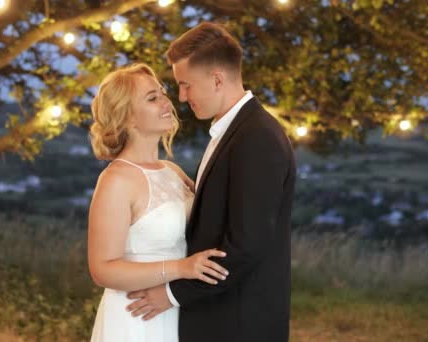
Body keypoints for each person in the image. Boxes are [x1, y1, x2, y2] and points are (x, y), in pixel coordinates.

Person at [126, 22, 297, 341]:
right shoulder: (235, 132)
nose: (181, 96)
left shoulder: (257, 137)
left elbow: (246, 246)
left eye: (185, 84)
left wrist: (173, 294)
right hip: (220, 316)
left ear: (217, 79)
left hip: (238, 322)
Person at [87, 63, 229, 342]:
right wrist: (182, 268)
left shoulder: (171, 171)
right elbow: (102, 269)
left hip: (176, 309)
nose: (167, 102)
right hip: (136, 317)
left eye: (163, 94)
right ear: (126, 116)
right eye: (152, 98)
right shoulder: (116, 180)